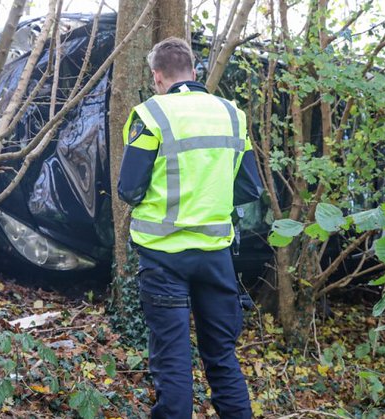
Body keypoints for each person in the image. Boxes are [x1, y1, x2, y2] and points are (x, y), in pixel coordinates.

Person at [117, 36, 263, 419]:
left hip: (163, 258)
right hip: (215, 257)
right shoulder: (233, 115)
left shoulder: (151, 114)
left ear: (157, 77)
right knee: (221, 357)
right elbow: (250, 187)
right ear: (195, 73)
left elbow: (129, 189)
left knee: (173, 360)